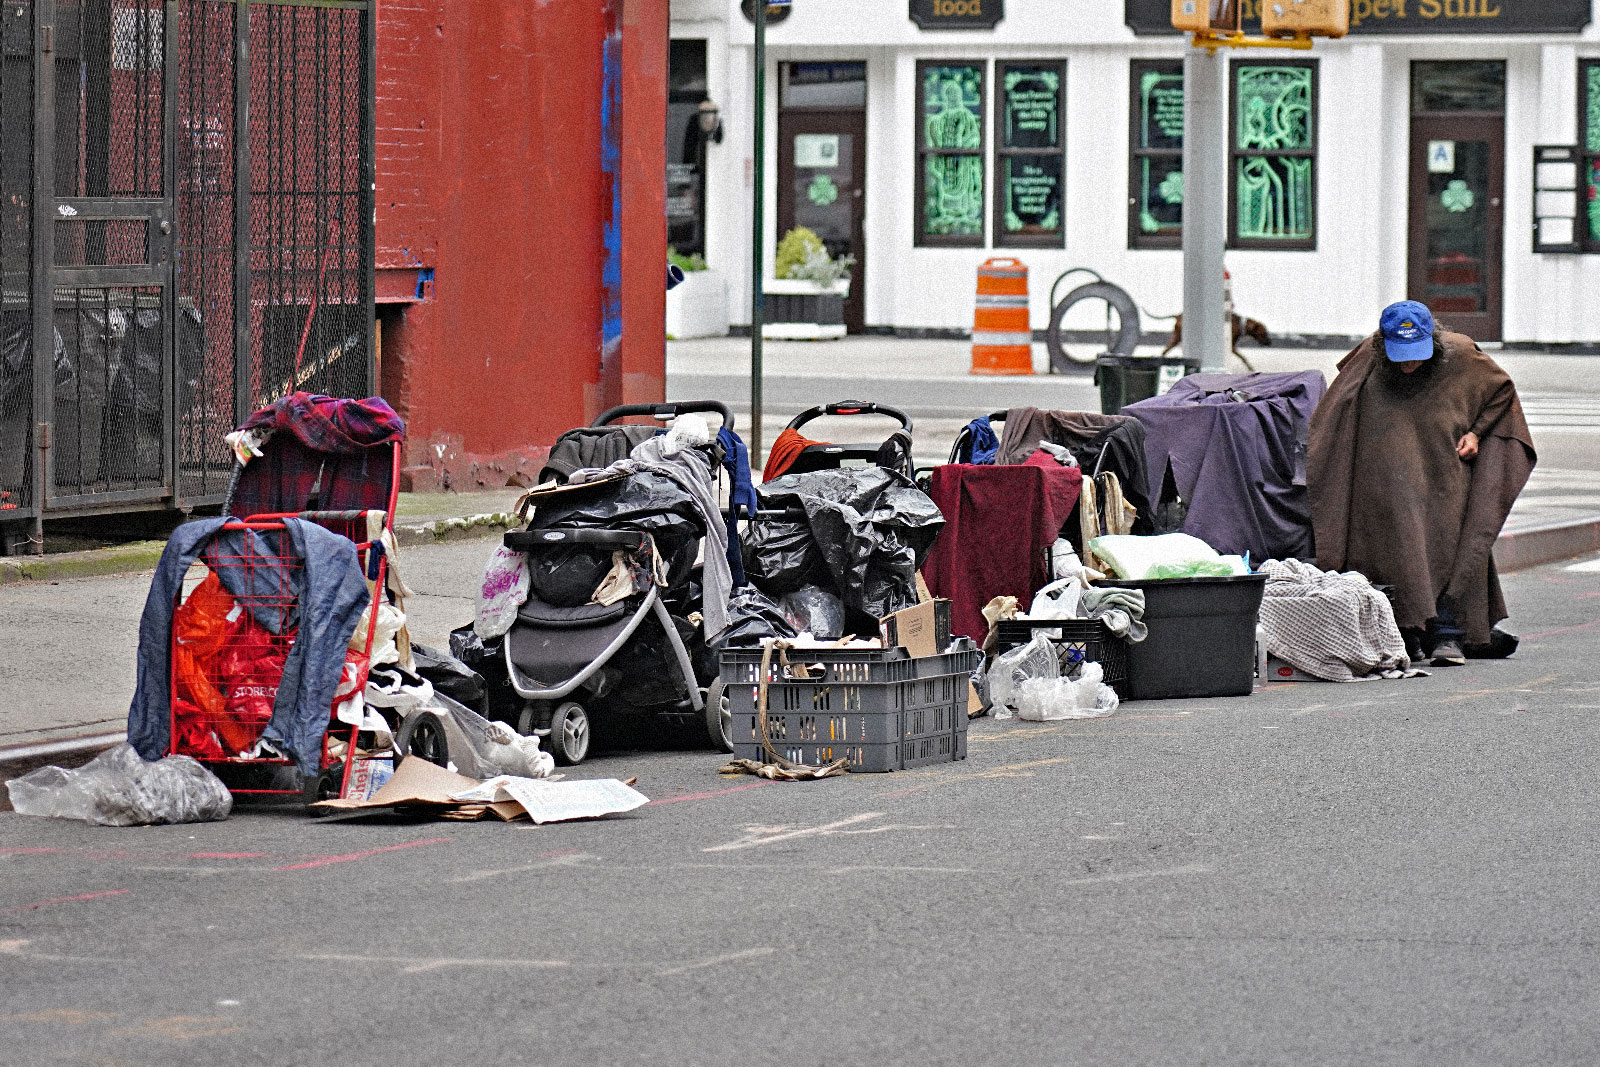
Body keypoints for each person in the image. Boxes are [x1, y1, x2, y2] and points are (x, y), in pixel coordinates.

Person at [1307, 300, 1536, 666]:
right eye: (1400, 356)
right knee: (1394, 550)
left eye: (1418, 354)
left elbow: (1501, 392)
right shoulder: (1368, 359)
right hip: (1383, 478)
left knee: (1447, 544)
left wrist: (1477, 432)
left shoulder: (1459, 354)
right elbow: (1334, 410)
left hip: (1445, 474)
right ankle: (1406, 632)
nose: (1410, 364)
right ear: (1382, 345)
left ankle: (1448, 635)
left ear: (1434, 341)